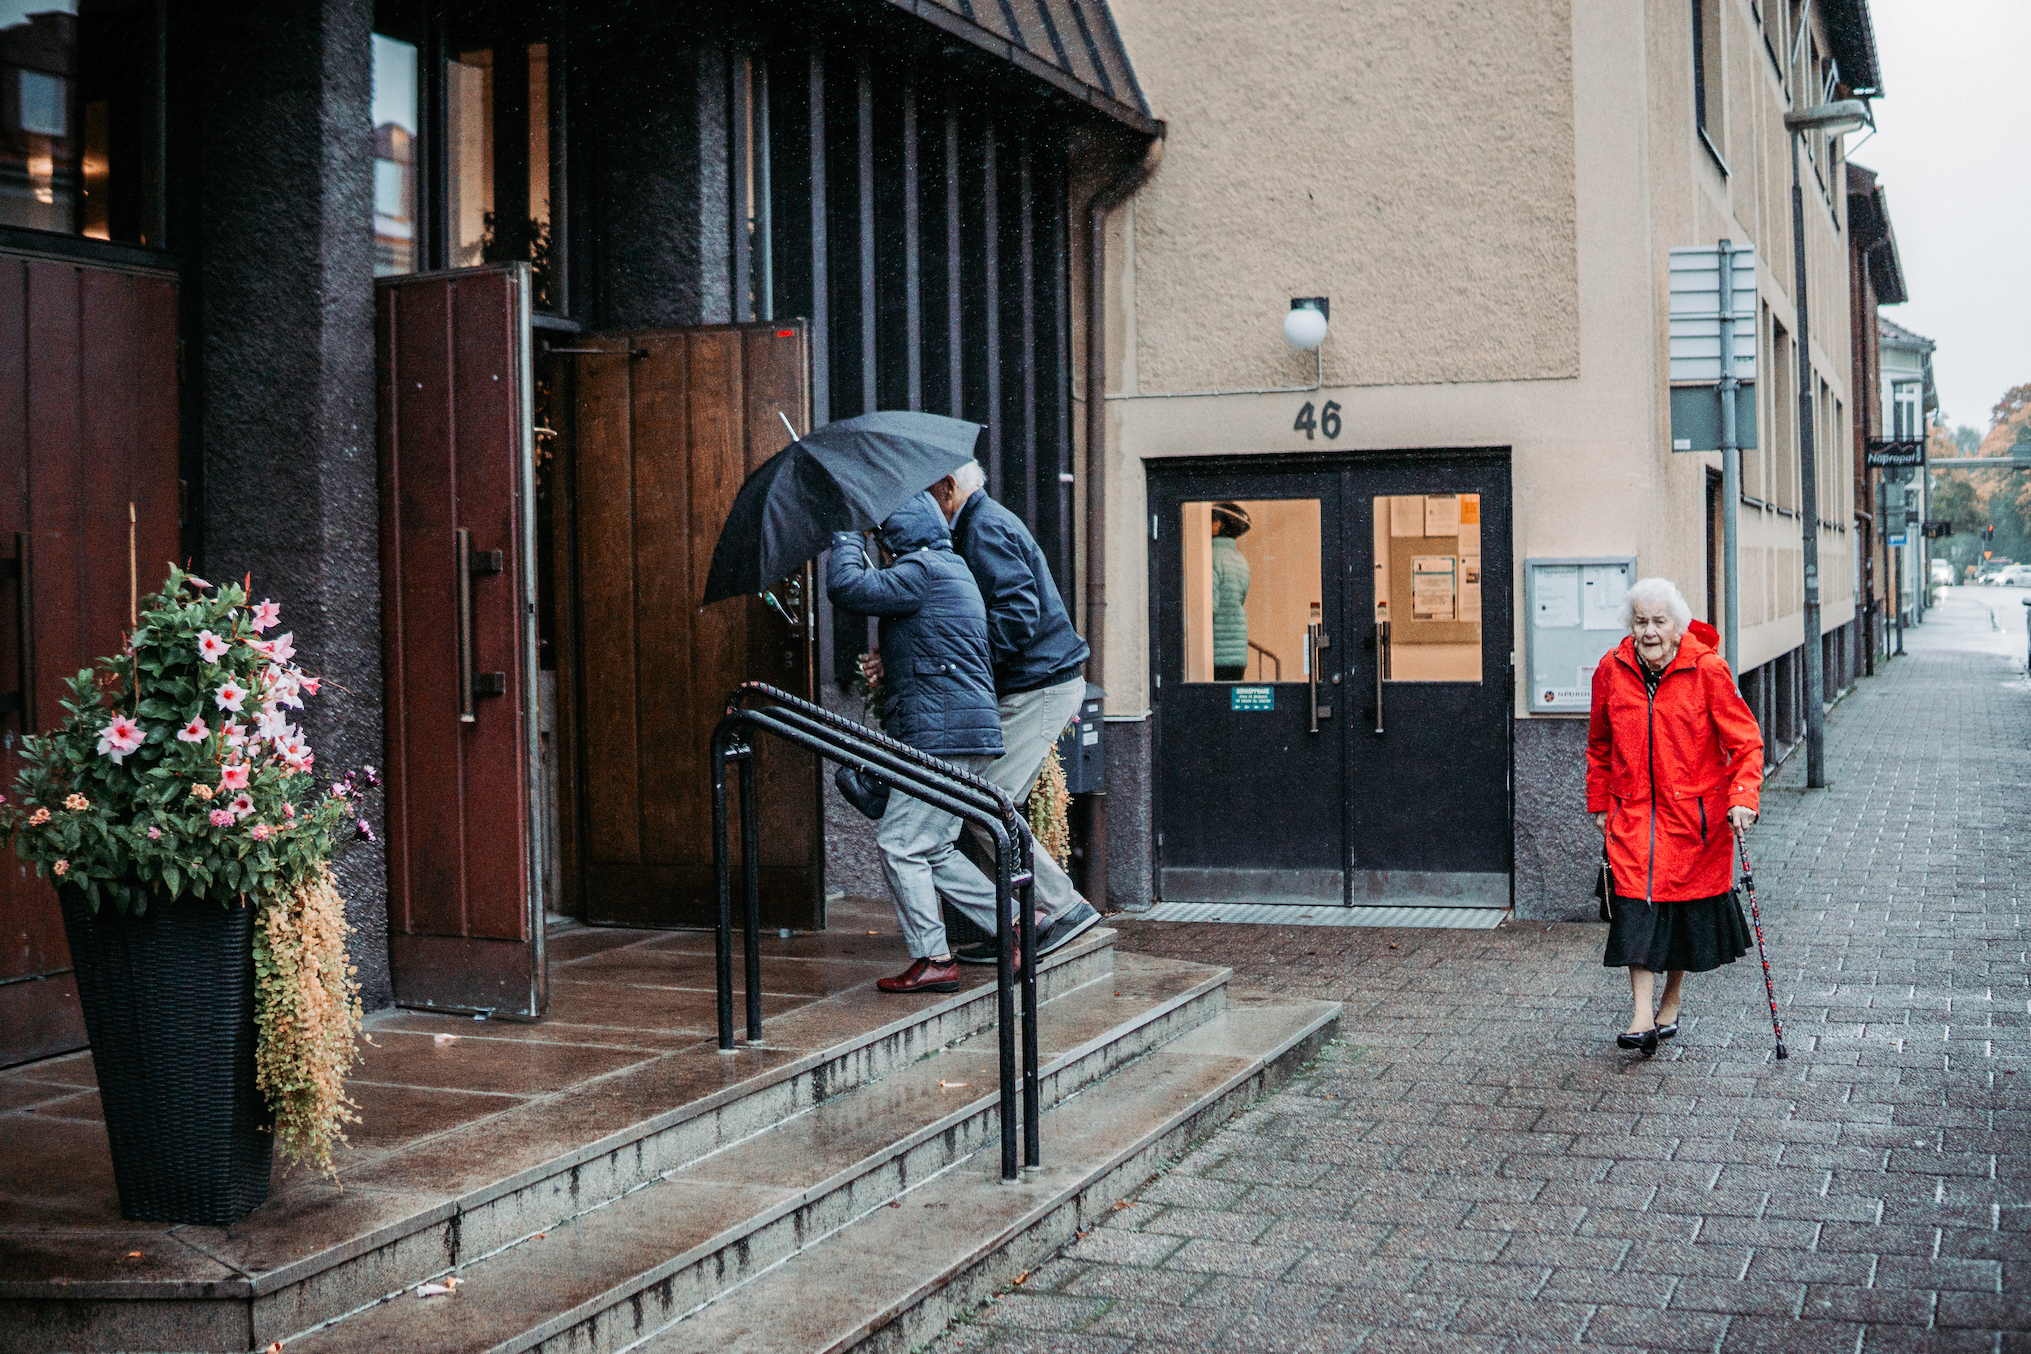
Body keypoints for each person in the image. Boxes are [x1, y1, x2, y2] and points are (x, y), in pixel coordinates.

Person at [829, 494, 1006, 995]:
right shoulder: (951, 568)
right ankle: (1016, 922)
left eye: (885, 542)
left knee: (900, 843)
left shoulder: (921, 570)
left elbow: (846, 586)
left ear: (897, 536)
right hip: (963, 733)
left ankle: (934, 958)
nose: (883, 553)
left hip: (940, 737)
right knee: (934, 847)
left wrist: (847, 533)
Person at [1586, 578, 1763, 1056]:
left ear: (1678, 626)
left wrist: (1743, 797)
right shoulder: (1612, 669)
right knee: (1636, 911)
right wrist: (1600, 802)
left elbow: (1745, 742)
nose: (1648, 632)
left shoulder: (1708, 670)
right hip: (1634, 817)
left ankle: (1671, 1000)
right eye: (1640, 621)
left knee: (1681, 915)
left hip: (1693, 820)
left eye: (1658, 622)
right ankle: (1642, 1016)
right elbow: (1599, 745)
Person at [1210, 502, 1252, 681]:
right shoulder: (1240, 560)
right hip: (1237, 653)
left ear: (1219, 524)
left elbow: (1210, 606)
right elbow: (1241, 598)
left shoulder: (1210, 556)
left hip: (1216, 653)